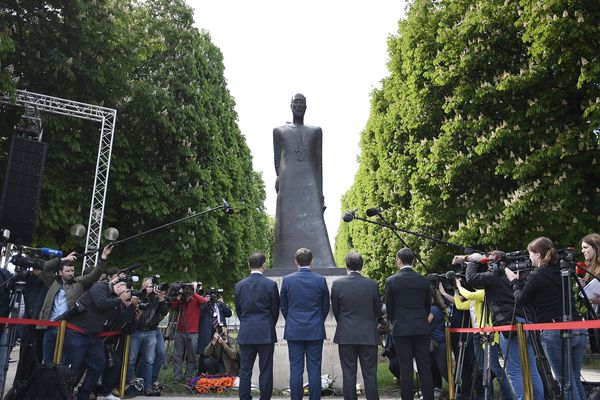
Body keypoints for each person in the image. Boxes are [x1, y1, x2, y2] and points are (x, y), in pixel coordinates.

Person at [506, 237, 587, 400]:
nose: (529, 258)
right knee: (575, 380)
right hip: (578, 328)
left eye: (530, 254)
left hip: (555, 330)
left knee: (565, 382)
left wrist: (514, 282)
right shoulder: (561, 270)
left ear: (538, 255)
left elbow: (521, 300)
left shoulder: (538, 275)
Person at [465, 251, 544, 400]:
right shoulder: (515, 274)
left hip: (510, 324)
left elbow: (472, 279)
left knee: (514, 369)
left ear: (492, 262)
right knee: (532, 368)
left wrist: (473, 261)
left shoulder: (494, 276)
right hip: (527, 322)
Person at [272, 94, 335, 268]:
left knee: (316, 224)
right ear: (290, 105)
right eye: (296, 102)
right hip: (288, 181)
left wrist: (320, 194)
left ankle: (323, 263)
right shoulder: (279, 130)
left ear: (306, 106)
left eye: (302, 103)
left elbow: (319, 162)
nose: (299, 105)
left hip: (309, 182)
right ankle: (284, 262)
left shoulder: (316, 130)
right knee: (286, 226)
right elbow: (277, 157)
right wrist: (280, 176)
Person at [63, 272, 134, 400]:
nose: (126, 292)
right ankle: (64, 393)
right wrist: (119, 299)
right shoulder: (101, 287)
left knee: (98, 365)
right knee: (74, 365)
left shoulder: (115, 301)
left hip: (94, 336)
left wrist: (130, 307)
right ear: (117, 286)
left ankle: (83, 395)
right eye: (124, 289)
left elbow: (117, 323)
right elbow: (100, 303)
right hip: (78, 332)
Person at [38, 245, 112, 363]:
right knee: (47, 360)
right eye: (67, 271)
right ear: (60, 272)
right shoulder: (52, 282)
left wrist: (103, 257)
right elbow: (44, 268)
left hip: (69, 328)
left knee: (63, 362)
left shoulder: (78, 283)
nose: (71, 273)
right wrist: (63, 259)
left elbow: (94, 275)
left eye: (72, 270)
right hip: (50, 326)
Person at [330, 251, 382, 400]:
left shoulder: (337, 284)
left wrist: (345, 323)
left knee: (348, 374)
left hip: (346, 334)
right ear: (362, 265)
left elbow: (336, 310)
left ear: (346, 266)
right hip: (368, 334)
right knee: (370, 374)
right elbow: (377, 310)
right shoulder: (372, 284)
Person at [384, 247, 434, 400]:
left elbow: (390, 307)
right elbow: (427, 306)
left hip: (402, 328)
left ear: (399, 260)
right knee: (425, 367)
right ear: (413, 260)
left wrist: (396, 322)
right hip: (421, 328)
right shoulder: (424, 280)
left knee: (405, 369)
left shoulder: (391, 281)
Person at [280, 248, 330, 400]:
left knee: (296, 369)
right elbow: (325, 307)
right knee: (314, 369)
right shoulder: (320, 280)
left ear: (296, 262)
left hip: (294, 330)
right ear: (311, 261)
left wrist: (293, 320)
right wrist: (317, 320)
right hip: (315, 330)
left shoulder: (287, 280)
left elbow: (284, 306)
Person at [234, 252, 280, 400]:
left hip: (247, 331)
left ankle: (244, 397)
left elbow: (239, 310)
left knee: (245, 369)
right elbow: (275, 310)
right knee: (265, 369)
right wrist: (268, 324)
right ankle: (265, 398)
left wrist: (247, 322)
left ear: (249, 265)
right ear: (263, 266)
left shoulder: (239, 286)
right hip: (265, 331)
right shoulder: (271, 284)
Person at [126, 277, 169, 396]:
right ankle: (127, 385)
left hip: (151, 332)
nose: (149, 289)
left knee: (149, 360)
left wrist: (161, 299)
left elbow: (164, 312)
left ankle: (148, 387)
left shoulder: (156, 298)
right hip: (137, 331)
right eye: (146, 287)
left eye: (151, 286)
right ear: (142, 288)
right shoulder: (138, 297)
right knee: (131, 359)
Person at [170, 282, 206, 382]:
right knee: (178, 355)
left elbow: (203, 301)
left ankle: (189, 376)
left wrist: (193, 293)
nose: (188, 292)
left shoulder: (196, 300)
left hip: (193, 333)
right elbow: (173, 306)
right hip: (180, 332)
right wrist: (180, 295)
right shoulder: (181, 300)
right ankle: (177, 375)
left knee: (191, 356)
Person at [581, 233, 600, 353]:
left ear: (596, 248)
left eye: (585, 247)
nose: (582, 251)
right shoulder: (590, 267)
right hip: (594, 313)